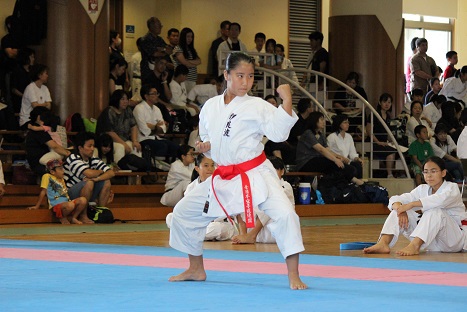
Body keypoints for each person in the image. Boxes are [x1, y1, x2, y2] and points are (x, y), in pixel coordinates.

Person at [168, 52, 307, 290]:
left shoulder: (257, 105)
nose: (245, 82)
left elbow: (278, 134)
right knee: (183, 212)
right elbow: (211, 142)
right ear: (226, 75)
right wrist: (205, 147)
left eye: (250, 77)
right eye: (240, 76)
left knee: (285, 215)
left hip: (256, 172)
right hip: (224, 175)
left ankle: (294, 275)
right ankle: (195, 268)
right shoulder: (210, 107)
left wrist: (286, 102)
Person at [363, 156, 467, 256]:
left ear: (443, 173)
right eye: (426, 172)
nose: (429, 175)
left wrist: (411, 204)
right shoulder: (422, 189)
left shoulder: (452, 188)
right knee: (397, 211)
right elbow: (395, 199)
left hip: (453, 240)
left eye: (433, 171)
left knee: (434, 210)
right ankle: (383, 243)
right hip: (431, 243)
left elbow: (439, 200)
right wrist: (401, 209)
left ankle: (414, 246)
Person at [165, 154, 237, 241]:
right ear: (197, 168)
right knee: (171, 217)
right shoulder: (191, 187)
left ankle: (187, 234)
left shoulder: (221, 184)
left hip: (219, 224)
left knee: (215, 229)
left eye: (212, 165)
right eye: (206, 165)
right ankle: (192, 233)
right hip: (197, 224)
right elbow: (187, 211)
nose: (210, 168)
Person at [231, 156, 295, 244]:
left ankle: (251, 235)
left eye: (274, 169)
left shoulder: (285, 185)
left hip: (278, 231)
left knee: (270, 202)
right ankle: (244, 234)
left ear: (282, 171)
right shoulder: (258, 186)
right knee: (242, 198)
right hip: (260, 232)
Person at [296, 111, 364, 186]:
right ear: (314, 120)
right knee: (334, 164)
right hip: (306, 162)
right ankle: (354, 180)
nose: (324, 121)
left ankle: (350, 182)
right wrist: (335, 159)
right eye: (321, 119)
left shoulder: (321, 135)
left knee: (348, 168)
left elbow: (328, 150)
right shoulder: (308, 133)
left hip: (317, 161)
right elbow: (321, 149)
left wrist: (339, 157)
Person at [29, 159, 91, 225]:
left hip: (67, 204)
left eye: (63, 169)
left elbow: (65, 193)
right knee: (70, 205)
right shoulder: (47, 176)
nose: (63, 171)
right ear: (52, 171)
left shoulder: (62, 179)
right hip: (56, 205)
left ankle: (74, 218)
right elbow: (43, 191)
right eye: (60, 169)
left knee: (83, 200)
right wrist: (37, 206)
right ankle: (62, 217)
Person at [64, 131, 115, 208]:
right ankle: (83, 214)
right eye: (89, 146)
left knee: (106, 181)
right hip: (70, 193)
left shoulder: (93, 158)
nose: (92, 149)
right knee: (89, 182)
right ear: (80, 148)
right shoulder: (73, 157)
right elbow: (89, 173)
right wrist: (101, 171)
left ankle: (101, 210)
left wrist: (98, 178)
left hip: (87, 190)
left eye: (93, 146)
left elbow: (111, 173)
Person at [133, 84, 179, 161]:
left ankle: (169, 167)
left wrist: (152, 126)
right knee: (163, 146)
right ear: (146, 96)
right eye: (153, 94)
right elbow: (145, 130)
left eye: (157, 93)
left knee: (176, 147)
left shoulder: (157, 109)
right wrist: (156, 127)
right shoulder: (139, 108)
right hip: (144, 139)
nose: (156, 96)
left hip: (157, 138)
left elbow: (163, 130)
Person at [96, 90, 142, 164]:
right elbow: (110, 132)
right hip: (108, 141)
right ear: (116, 99)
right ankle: (119, 171)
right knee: (120, 147)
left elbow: (134, 126)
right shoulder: (109, 111)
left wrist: (135, 141)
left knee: (136, 147)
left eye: (127, 99)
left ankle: (136, 173)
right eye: (122, 99)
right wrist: (124, 144)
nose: (125, 101)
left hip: (124, 139)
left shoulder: (128, 110)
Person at [25, 107, 71, 175]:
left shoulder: (38, 128)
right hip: (40, 164)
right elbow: (54, 146)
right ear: (39, 117)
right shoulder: (39, 131)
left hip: (39, 161)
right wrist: (68, 154)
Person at [365, 93, 397, 178]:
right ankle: (389, 174)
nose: (387, 104)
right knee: (390, 152)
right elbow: (369, 131)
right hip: (373, 142)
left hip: (383, 142)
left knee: (396, 149)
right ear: (380, 102)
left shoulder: (388, 116)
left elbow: (388, 133)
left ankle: (392, 173)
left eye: (389, 102)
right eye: (385, 101)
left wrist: (391, 141)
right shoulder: (373, 114)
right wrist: (378, 142)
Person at [327, 114, 363, 179]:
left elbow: (352, 153)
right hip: (337, 162)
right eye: (345, 122)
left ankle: (359, 186)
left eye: (348, 122)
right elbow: (328, 152)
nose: (348, 124)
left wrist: (357, 158)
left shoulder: (349, 136)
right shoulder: (331, 137)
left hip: (347, 161)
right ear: (339, 124)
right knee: (352, 168)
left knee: (358, 164)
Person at [140, 17, 172, 84]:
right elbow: (154, 54)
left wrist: (162, 49)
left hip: (161, 72)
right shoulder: (145, 39)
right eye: (159, 25)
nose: (161, 27)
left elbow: (169, 50)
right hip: (149, 72)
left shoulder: (159, 39)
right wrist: (163, 50)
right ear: (152, 27)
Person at [19, 64, 51, 129]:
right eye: (46, 73)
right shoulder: (30, 87)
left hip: (40, 120)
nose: (47, 76)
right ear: (39, 75)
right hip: (28, 120)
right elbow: (35, 106)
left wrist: (40, 104)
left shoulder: (45, 88)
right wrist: (45, 104)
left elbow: (49, 106)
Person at [172, 27, 201, 94]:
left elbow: (199, 61)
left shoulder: (191, 49)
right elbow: (185, 63)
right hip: (183, 78)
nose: (190, 39)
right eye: (188, 36)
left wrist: (187, 61)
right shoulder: (178, 48)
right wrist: (192, 62)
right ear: (183, 37)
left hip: (193, 78)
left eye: (191, 37)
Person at [302, 31, 328, 98]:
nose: (310, 43)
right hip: (312, 82)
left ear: (318, 41)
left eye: (312, 41)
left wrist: (321, 82)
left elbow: (322, 69)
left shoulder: (322, 53)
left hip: (318, 83)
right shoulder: (313, 54)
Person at [10, 47, 34, 113]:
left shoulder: (32, 71)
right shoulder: (17, 70)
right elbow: (13, 89)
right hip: (19, 100)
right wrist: (24, 96)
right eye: (31, 57)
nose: (33, 59)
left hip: (31, 99)